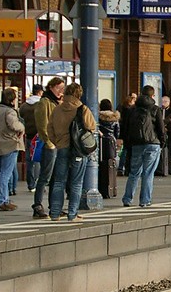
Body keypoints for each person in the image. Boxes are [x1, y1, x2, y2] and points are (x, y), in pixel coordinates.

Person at [46, 83, 97, 221]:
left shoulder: (57, 109)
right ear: (79, 94)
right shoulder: (82, 109)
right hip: (78, 150)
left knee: (59, 182)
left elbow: (49, 128)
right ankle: (72, 214)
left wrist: (57, 142)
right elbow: (91, 127)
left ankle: (55, 213)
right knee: (76, 183)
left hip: (62, 147)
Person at [122, 85, 164, 208]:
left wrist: (128, 144)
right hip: (152, 143)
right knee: (148, 173)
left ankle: (127, 199)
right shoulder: (155, 109)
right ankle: (145, 200)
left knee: (134, 172)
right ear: (152, 95)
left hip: (136, 144)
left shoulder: (132, 109)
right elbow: (161, 128)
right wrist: (162, 142)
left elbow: (126, 128)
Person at [31, 77, 64, 218]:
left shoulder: (58, 103)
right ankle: (37, 205)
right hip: (50, 144)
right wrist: (49, 142)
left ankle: (54, 206)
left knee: (56, 177)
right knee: (45, 176)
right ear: (51, 87)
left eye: (62, 88)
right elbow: (42, 124)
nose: (61, 91)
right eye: (58, 88)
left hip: (59, 144)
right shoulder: (44, 102)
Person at [0, 88, 25, 212]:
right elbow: (14, 125)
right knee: (5, 174)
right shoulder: (10, 112)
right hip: (10, 144)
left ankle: (4, 200)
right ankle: (0, 201)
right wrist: (22, 127)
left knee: (2, 172)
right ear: (11, 100)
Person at [19, 83, 43, 192]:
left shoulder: (24, 106)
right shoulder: (41, 105)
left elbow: (21, 118)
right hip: (39, 135)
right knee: (38, 159)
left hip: (28, 135)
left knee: (29, 160)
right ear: (40, 92)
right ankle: (37, 183)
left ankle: (30, 183)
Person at [98, 99, 121, 199]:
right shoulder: (114, 118)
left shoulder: (98, 117)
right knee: (110, 165)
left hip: (100, 142)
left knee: (100, 165)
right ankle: (110, 188)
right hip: (111, 143)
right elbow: (117, 133)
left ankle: (101, 188)